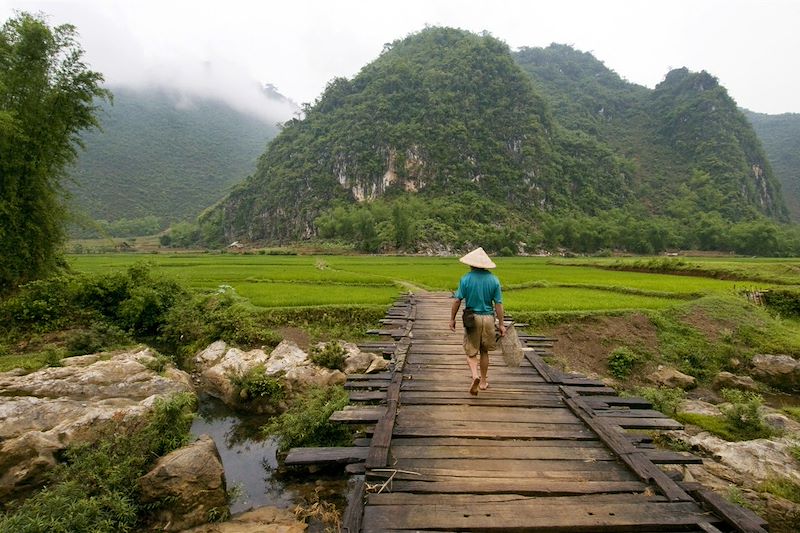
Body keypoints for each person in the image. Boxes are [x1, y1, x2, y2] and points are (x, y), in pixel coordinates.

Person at [449, 247, 506, 395]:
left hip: (472, 318)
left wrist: (452, 319)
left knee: (470, 350)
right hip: (488, 318)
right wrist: (501, 324)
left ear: (471, 264)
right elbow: (498, 304)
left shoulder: (466, 279)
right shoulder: (494, 280)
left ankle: (475, 375)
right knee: (484, 350)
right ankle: (483, 381)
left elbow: (457, 300)